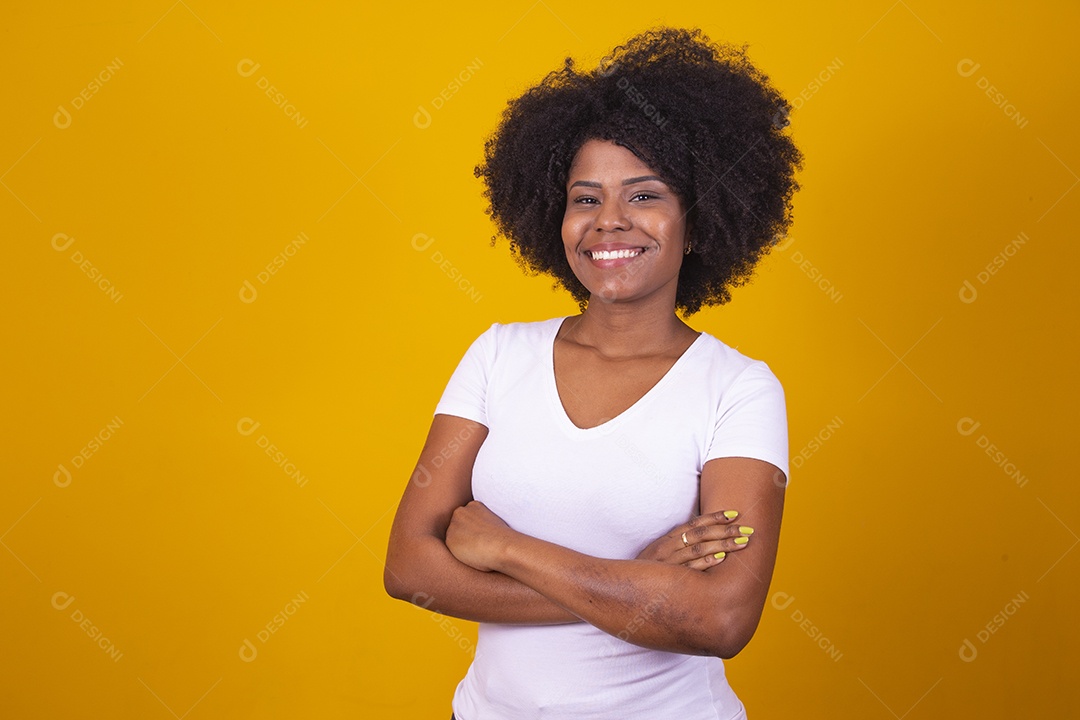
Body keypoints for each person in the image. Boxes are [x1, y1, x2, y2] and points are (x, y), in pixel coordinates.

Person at [385, 26, 802, 719]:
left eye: (643, 196)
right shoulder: (497, 356)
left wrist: (506, 549)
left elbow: (723, 620)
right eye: (586, 198)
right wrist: (644, 586)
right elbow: (407, 568)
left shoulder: (739, 388)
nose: (609, 222)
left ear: (695, 223)